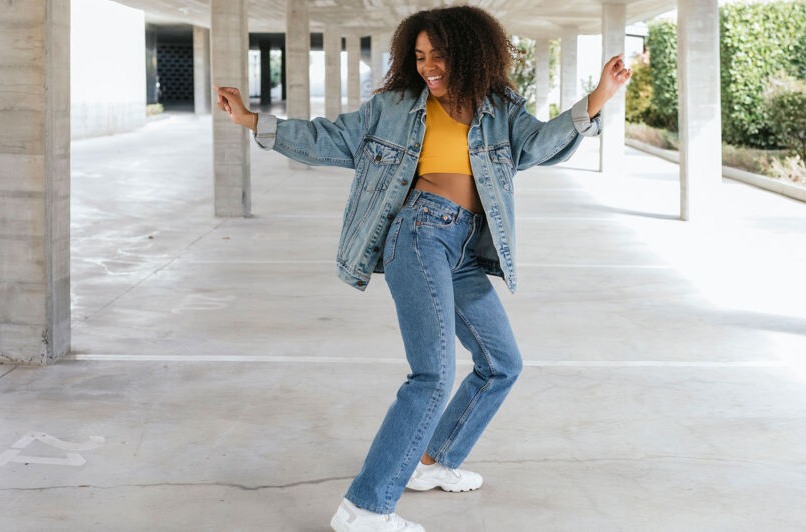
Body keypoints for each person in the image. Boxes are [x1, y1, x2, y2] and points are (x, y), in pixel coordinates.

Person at [214, 6, 630, 531]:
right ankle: (365, 509)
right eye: (420, 57)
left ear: (471, 55)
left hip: (463, 248)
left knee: (502, 363)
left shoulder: (499, 107)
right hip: (417, 235)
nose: (428, 67)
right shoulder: (394, 106)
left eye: (439, 56)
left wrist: (599, 97)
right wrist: (254, 121)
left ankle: (431, 462)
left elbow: (540, 146)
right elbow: (331, 139)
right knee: (431, 375)